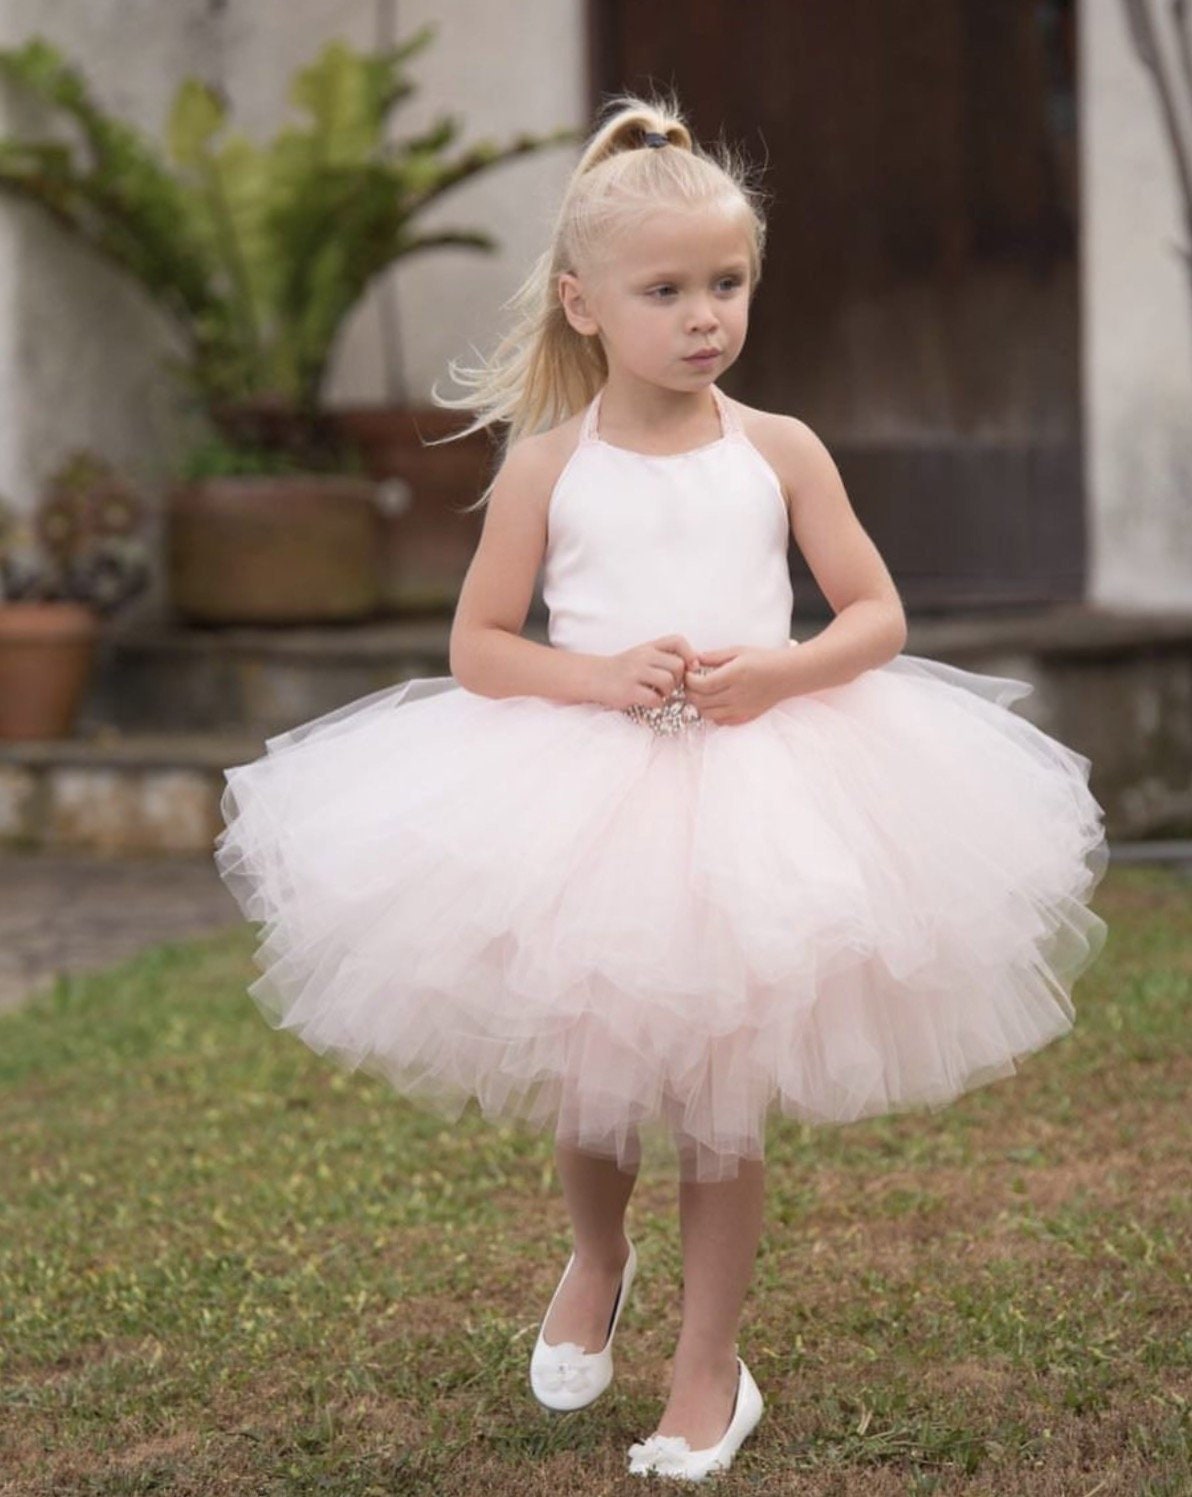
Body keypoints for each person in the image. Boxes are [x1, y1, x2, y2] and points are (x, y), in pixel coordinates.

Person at [214, 91, 1109, 1483]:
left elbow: (877, 615)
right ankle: (594, 1249)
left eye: (728, 283)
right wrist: (604, 675)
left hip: (761, 790)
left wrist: (785, 670)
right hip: (585, 791)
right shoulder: (547, 467)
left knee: (718, 1098)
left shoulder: (782, 449)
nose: (705, 316)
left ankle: (707, 1369)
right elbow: (480, 646)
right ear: (583, 304)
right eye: (668, 289)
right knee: (593, 1082)